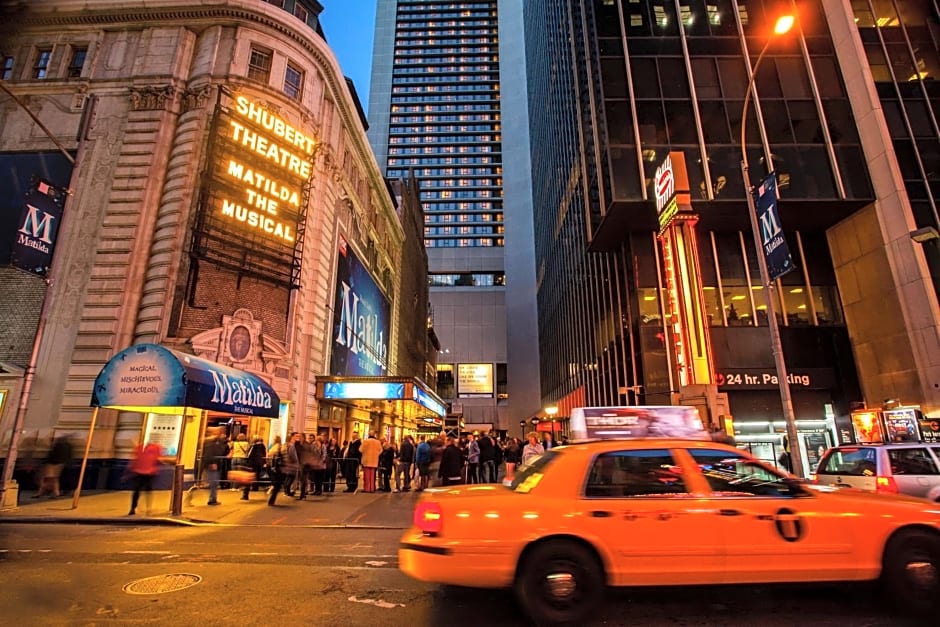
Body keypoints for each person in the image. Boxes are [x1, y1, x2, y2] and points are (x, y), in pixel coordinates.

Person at [127, 440, 165, 516]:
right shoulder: (156, 448)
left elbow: (134, 460)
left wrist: (130, 469)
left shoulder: (139, 447)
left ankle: (133, 508)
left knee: (137, 491)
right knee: (148, 491)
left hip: (139, 472)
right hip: (149, 473)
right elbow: (158, 460)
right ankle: (148, 508)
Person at [34, 434, 72, 498]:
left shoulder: (58, 446)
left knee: (48, 479)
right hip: (60, 464)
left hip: (52, 464)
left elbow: (51, 455)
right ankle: (54, 492)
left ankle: (45, 492)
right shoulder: (67, 446)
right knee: (53, 479)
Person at [201, 428, 228, 506]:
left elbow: (221, 451)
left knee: (214, 482)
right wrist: (212, 463)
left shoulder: (216, 441)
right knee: (214, 482)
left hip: (215, 464)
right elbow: (210, 453)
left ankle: (213, 498)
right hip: (213, 464)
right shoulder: (211, 441)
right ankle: (212, 499)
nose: (221, 433)